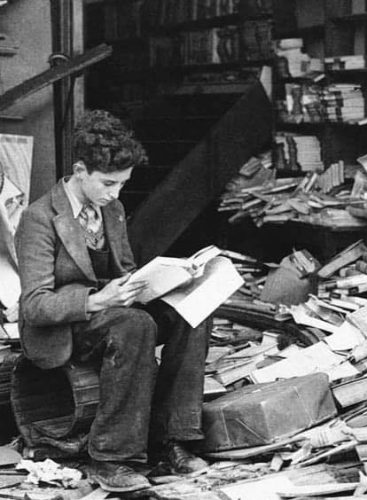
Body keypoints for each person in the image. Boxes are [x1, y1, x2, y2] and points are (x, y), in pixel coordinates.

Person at [15, 110, 211, 493]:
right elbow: (34, 304)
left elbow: (125, 268)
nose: (115, 194)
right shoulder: (39, 218)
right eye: (108, 183)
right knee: (135, 325)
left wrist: (162, 283)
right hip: (67, 323)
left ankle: (173, 438)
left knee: (193, 312)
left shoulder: (112, 208)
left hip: (112, 307)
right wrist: (96, 300)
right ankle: (112, 457)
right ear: (79, 170)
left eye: (122, 184)